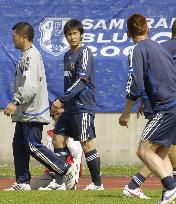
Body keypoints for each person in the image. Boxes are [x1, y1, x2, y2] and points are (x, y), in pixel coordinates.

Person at [119, 13, 176, 203]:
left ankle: (171, 185)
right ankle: (169, 197)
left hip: (168, 107)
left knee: (143, 151)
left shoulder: (137, 50)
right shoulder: (159, 48)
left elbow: (135, 84)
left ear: (128, 33)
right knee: (161, 153)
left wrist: (126, 112)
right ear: (148, 29)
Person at [4, 22, 75, 190]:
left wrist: (15, 102)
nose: (12, 40)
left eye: (14, 37)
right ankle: (22, 182)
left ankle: (65, 168)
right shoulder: (24, 55)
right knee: (19, 146)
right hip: (25, 113)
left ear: (24, 37)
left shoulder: (32, 57)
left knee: (32, 145)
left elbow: (30, 86)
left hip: (32, 111)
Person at [44, 19, 103, 190]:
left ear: (81, 35)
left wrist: (61, 99)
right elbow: (68, 83)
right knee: (58, 139)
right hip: (69, 108)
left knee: (86, 143)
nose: (72, 37)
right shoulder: (67, 55)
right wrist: (64, 104)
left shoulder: (85, 52)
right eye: (69, 34)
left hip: (83, 106)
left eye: (75, 33)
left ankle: (97, 184)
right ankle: (60, 182)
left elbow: (82, 81)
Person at [31, 109, 83, 190]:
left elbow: (75, 153)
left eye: (62, 114)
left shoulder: (74, 132)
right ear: (53, 117)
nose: (60, 116)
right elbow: (50, 153)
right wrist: (57, 138)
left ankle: (63, 183)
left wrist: (66, 137)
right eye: (57, 114)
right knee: (33, 188)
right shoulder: (51, 133)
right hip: (51, 172)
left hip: (69, 172)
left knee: (59, 190)